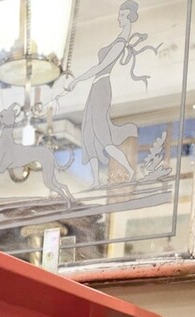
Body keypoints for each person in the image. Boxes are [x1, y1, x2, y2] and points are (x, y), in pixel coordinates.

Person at [64, 0, 157, 188]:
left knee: (103, 137)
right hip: (96, 88)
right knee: (89, 133)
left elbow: (100, 67)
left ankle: (129, 171)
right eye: (119, 14)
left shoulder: (121, 42)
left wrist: (76, 80)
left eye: (122, 15)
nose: (118, 17)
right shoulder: (119, 39)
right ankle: (96, 181)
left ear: (129, 17)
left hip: (101, 87)